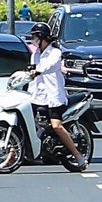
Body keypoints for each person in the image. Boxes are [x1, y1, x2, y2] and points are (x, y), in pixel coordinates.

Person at [25, 22, 84, 168]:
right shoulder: (35, 55)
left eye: (34, 36)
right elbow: (31, 71)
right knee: (24, 124)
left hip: (54, 97)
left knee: (56, 126)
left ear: (41, 37)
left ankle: (78, 156)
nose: (32, 39)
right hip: (37, 95)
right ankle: (11, 158)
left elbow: (49, 67)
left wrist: (38, 71)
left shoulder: (55, 53)